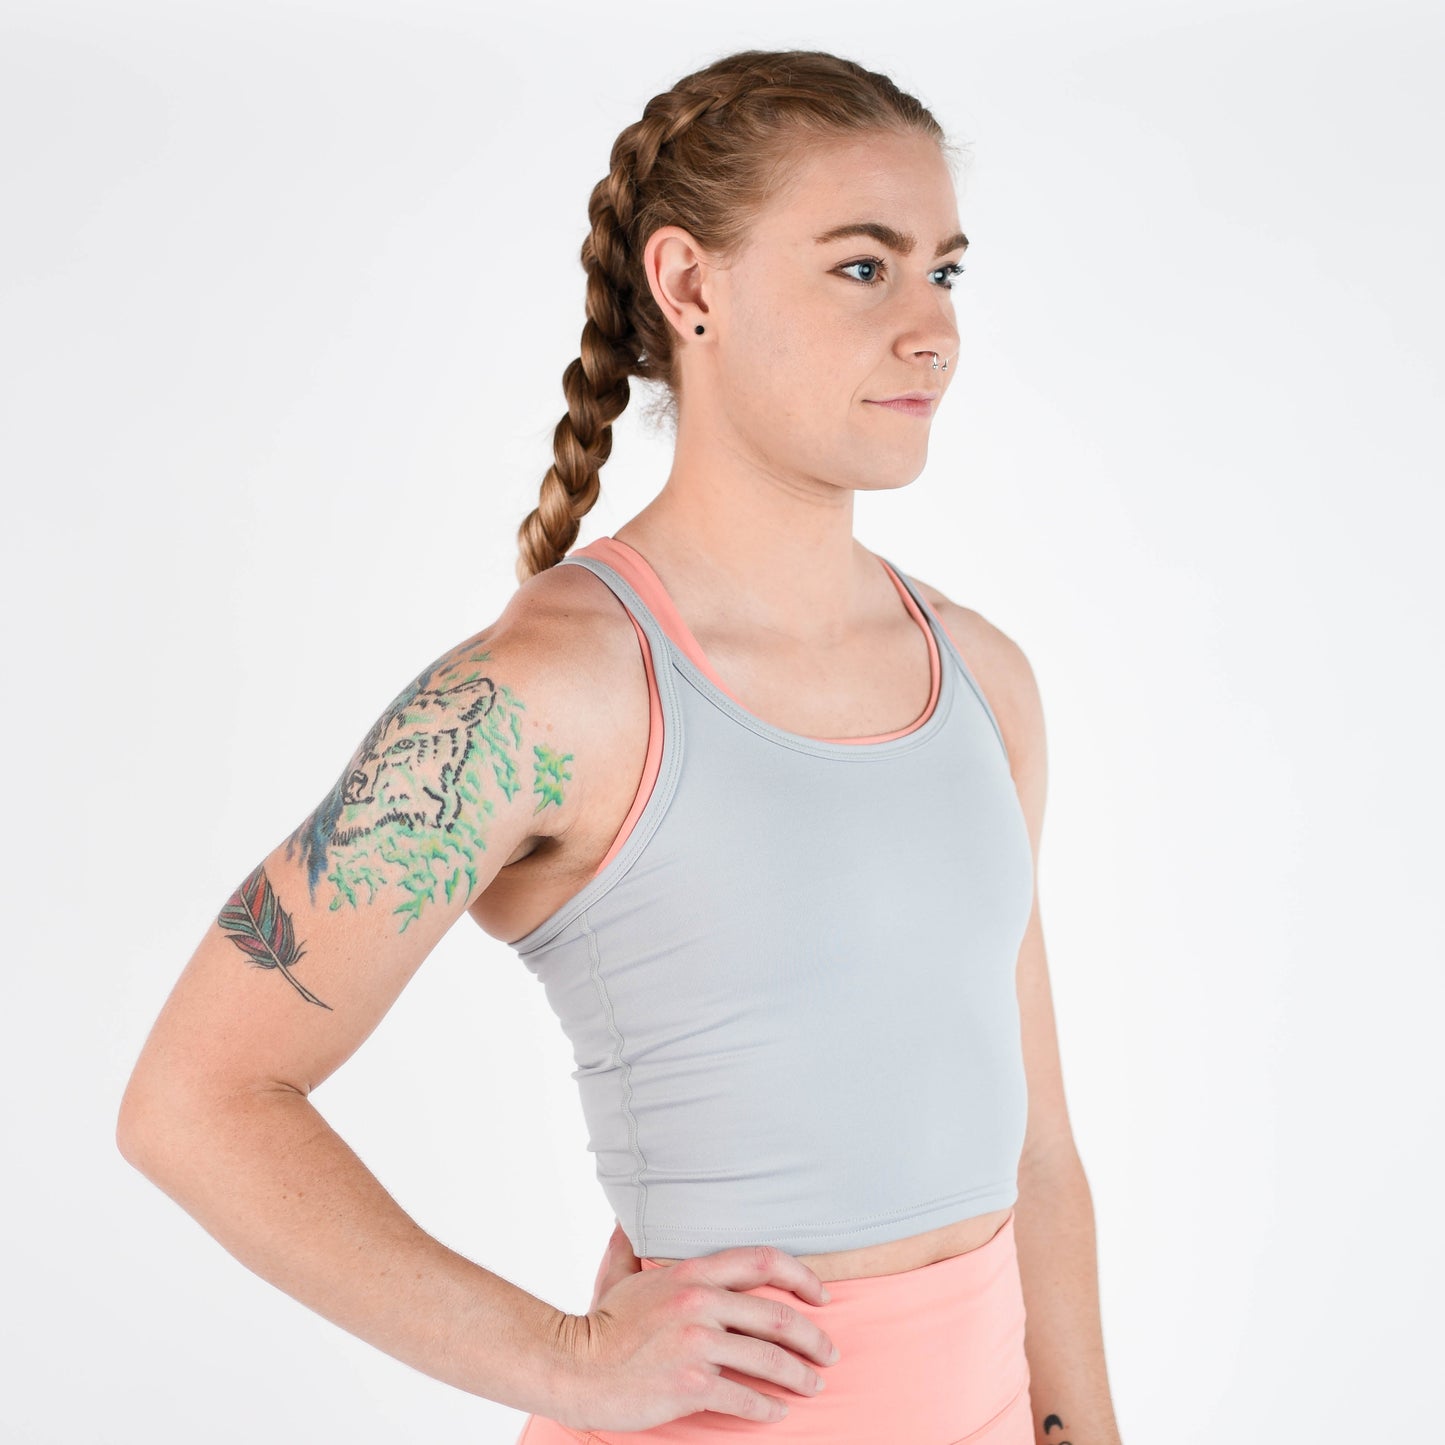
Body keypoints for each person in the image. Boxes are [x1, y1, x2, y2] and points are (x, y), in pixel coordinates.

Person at [117, 46, 1122, 1445]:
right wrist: (571, 1360)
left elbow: (1039, 1156)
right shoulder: (546, 698)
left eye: (943, 272)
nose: (932, 330)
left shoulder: (981, 678)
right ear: (690, 284)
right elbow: (196, 1099)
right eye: (862, 267)